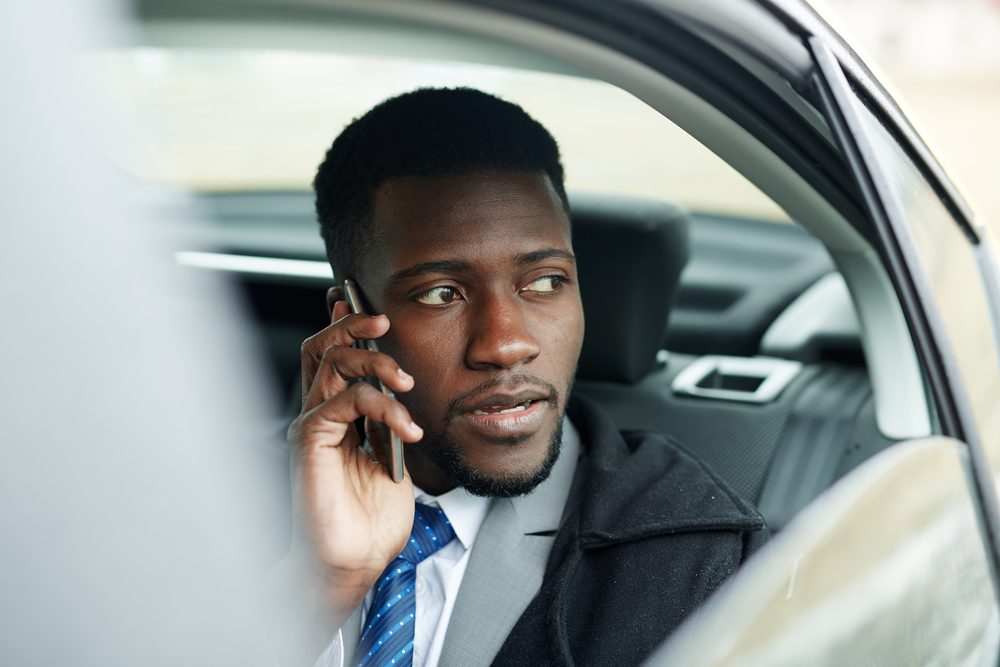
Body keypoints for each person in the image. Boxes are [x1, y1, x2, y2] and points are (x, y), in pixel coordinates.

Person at [275, 87, 765, 667]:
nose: (506, 345)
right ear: (352, 322)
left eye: (544, 282)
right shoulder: (198, 505)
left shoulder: (696, 564)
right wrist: (321, 585)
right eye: (441, 293)